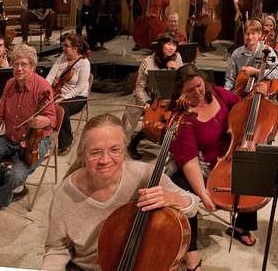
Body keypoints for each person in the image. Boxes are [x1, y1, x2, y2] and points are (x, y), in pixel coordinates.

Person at [41, 114, 199, 270]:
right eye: (95, 152)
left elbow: (193, 206)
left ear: (124, 148)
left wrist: (173, 198)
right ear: (83, 153)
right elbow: (57, 248)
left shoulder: (144, 175)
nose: (105, 160)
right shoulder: (65, 193)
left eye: (114, 150)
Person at [163, 64, 258, 259]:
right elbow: (189, 160)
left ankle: (241, 226)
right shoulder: (183, 116)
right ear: (180, 92)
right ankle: (191, 252)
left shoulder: (217, 93)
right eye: (190, 90)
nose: (198, 92)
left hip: (228, 153)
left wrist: (258, 95)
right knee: (184, 191)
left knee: (250, 168)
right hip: (201, 164)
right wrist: (203, 195)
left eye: (199, 85)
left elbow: (242, 107)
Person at [0, 43, 56, 209]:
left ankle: (3, 194)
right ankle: (12, 187)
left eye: (24, 64)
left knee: (15, 174)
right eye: (16, 64)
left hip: (34, 142)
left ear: (32, 67)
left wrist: (42, 121)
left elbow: (52, 119)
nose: (19, 68)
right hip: (10, 138)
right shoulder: (9, 84)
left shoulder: (43, 86)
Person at [127, 34, 185, 156]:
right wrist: (145, 102)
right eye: (168, 44)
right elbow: (139, 87)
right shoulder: (147, 62)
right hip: (149, 97)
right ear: (161, 45)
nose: (172, 48)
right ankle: (129, 144)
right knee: (131, 117)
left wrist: (178, 69)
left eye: (174, 45)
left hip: (169, 97)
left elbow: (184, 80)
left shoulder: (177, 57)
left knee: (171, 119)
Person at [47, 33, 93, 155]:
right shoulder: (61, 59)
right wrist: (45, 90)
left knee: (60, 109)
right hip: (58, 92)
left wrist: (63, 98)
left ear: (75, 49)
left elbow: (80, 87)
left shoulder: (84, 63)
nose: (63, 48)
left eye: (66, 46)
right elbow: (50, 77)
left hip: (77, 97)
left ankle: (66, 141)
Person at [225, 19, 278, 97]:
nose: (249, 37)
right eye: (247, 34)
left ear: (260, 34)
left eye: (253, 34)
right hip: (240, 94)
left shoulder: (267, 51)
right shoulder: (237, 53)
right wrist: (226, 95)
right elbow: (230, 79)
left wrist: (256, 71)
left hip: (261, 94)